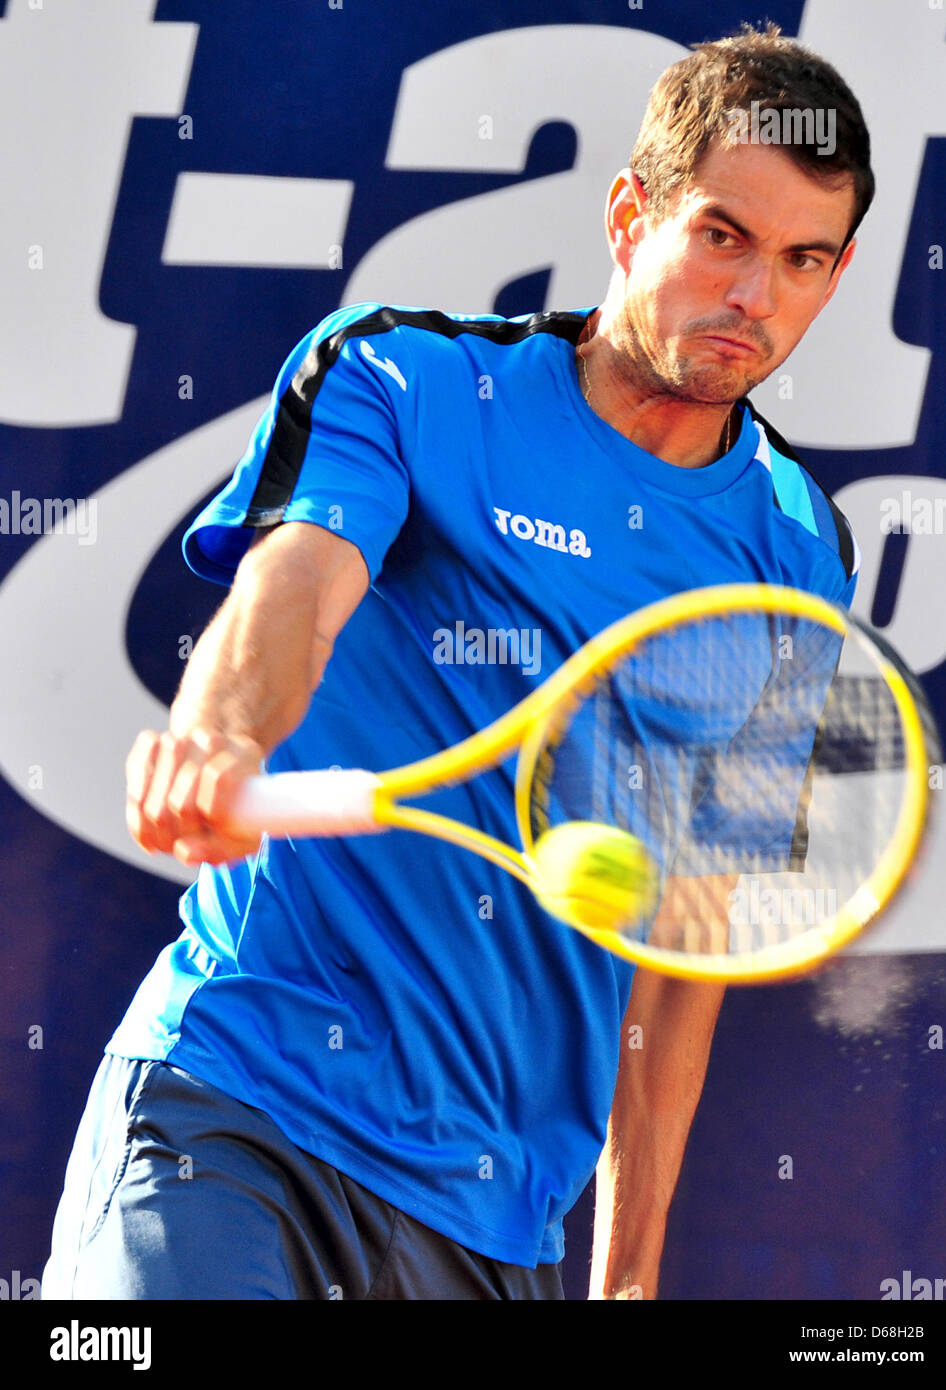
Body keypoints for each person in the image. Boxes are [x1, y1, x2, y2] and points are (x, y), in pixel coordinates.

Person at [43, 22, 871, 1301]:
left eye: (801, 259)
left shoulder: (793, 553)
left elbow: (687, 932)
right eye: (721, 235)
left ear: (837, 272)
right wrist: (223, 731)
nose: (754, 297)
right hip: (242, 1109)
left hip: (497, 1229)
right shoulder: (407, 375)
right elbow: (300, 581)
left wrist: (631, 1273)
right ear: (627, 214)